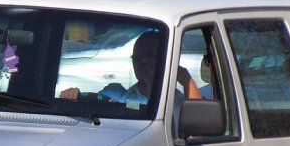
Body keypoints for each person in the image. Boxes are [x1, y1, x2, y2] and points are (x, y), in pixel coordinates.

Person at [60, 30, 201, 107]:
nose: (144, 61)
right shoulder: (116, 94)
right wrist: (74, 95)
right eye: (139, 56)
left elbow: (200, 123)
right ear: (133, 61)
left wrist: (185, 78)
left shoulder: (179, 103)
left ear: (164, 59)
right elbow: (92, 102)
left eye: (150, 55)